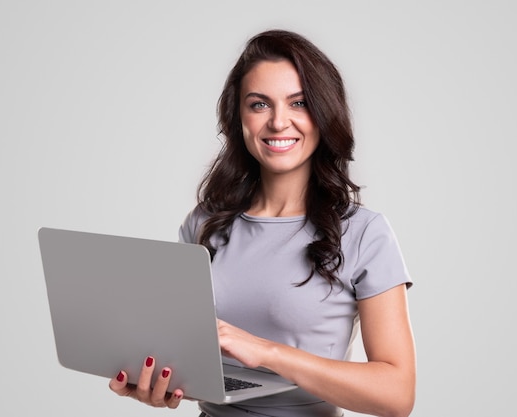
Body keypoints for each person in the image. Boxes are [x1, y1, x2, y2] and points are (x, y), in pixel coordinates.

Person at [109, 29, 416, 417]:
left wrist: (269, 353)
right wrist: (158, 383)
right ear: (239, 117)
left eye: (299, 103)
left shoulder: (365, 233)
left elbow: (397, 395)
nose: (278, 122)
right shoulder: (204, 223)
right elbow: (187, 355)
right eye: (259, 104)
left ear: (324, 113)